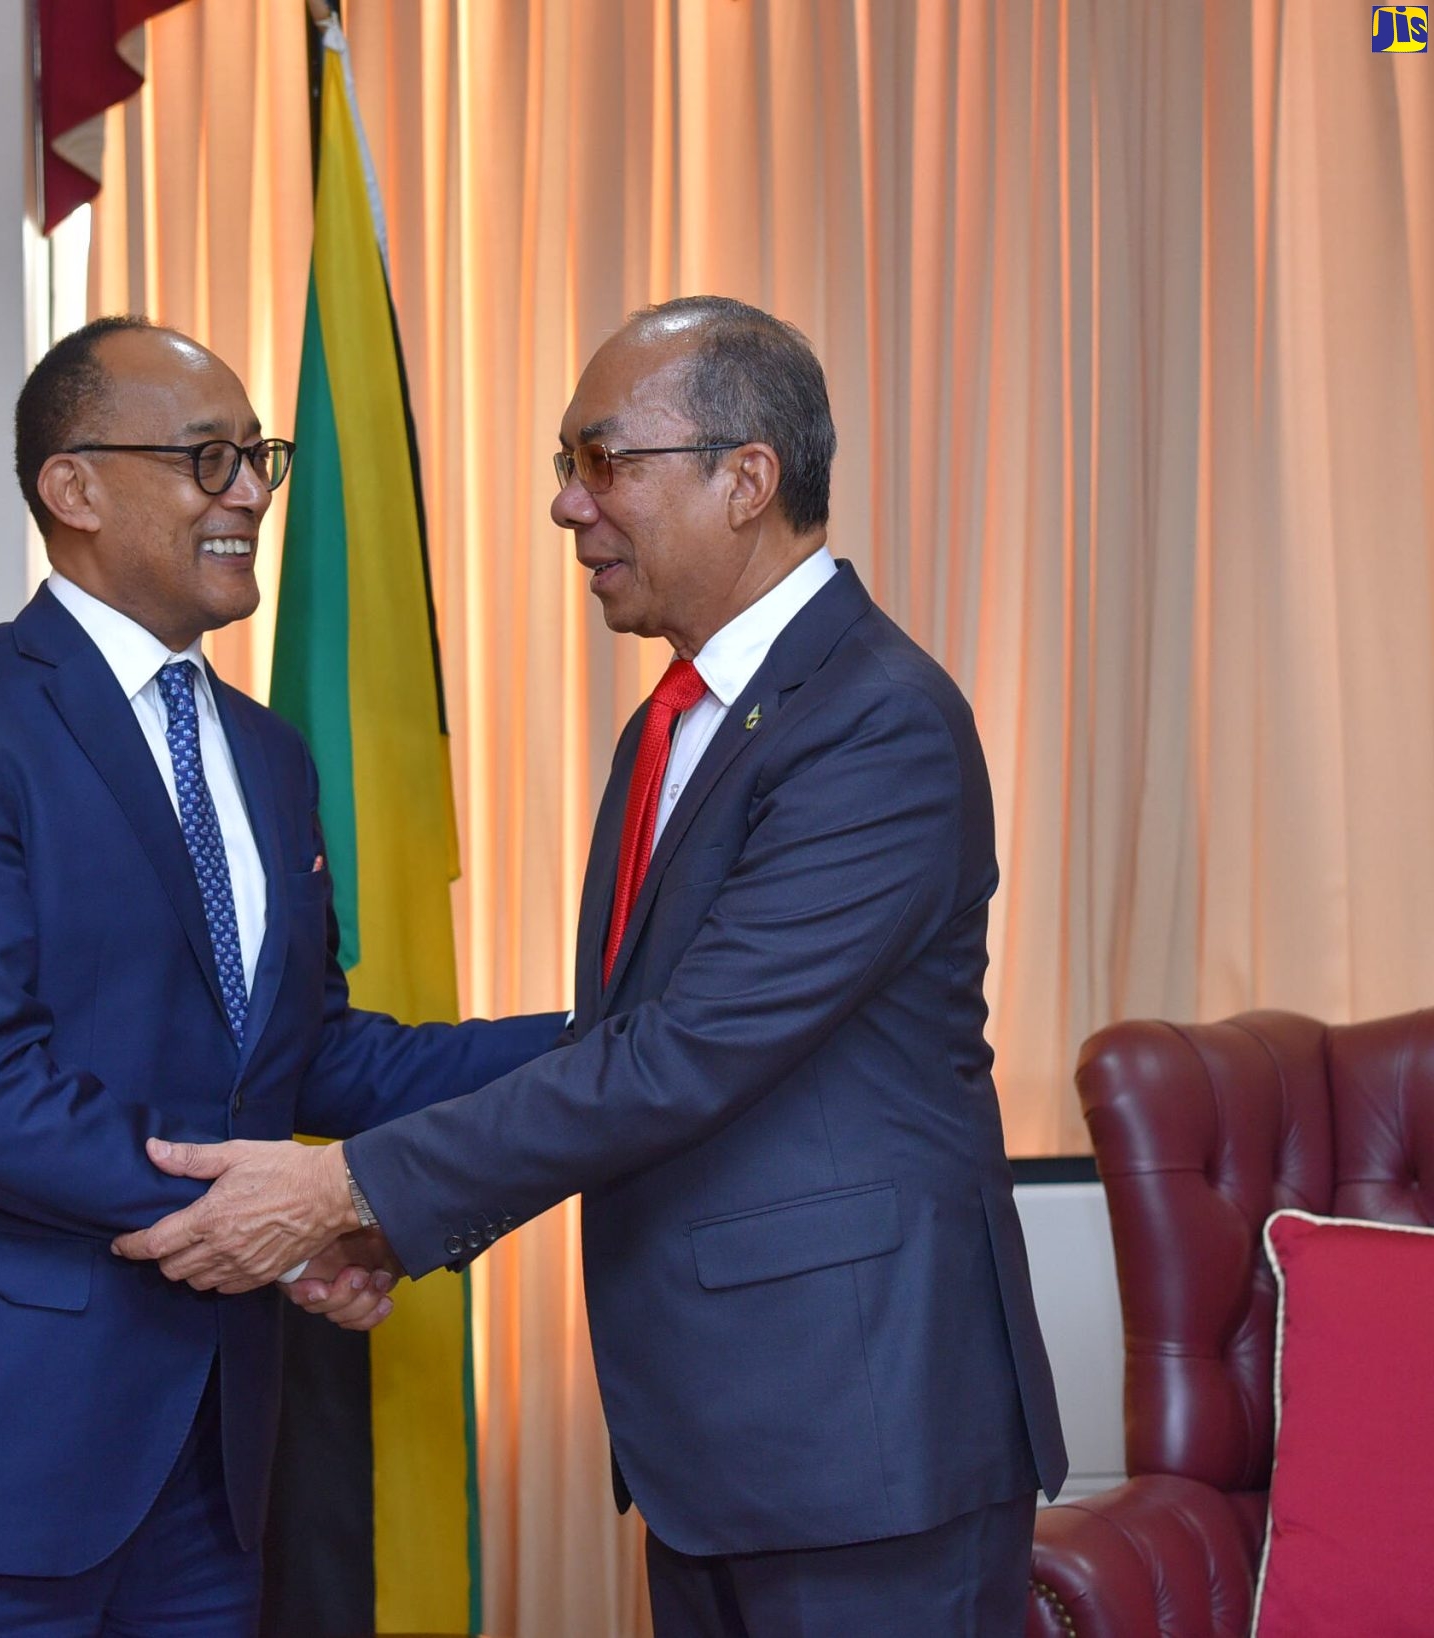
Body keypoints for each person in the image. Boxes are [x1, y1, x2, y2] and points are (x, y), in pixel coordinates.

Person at [114, 297, 1069, 1637]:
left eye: (603, 461)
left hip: (864, 1438)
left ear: (748, 479)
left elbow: (680, 1055)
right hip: (718, 1443)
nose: (569, 506)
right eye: (566, 466)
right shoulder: (672, 726)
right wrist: (389, 1218)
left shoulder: (877, 724)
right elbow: (624, 1040)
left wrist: (344, 1181)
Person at [0, 315, 561, 1637]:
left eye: (258, 456)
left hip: (208, 1459)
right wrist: (286, 1225)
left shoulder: (267, 757)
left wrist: (617, 1028)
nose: (249, 490)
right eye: (208, 457)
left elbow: (312, 1054)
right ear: (70, 487)